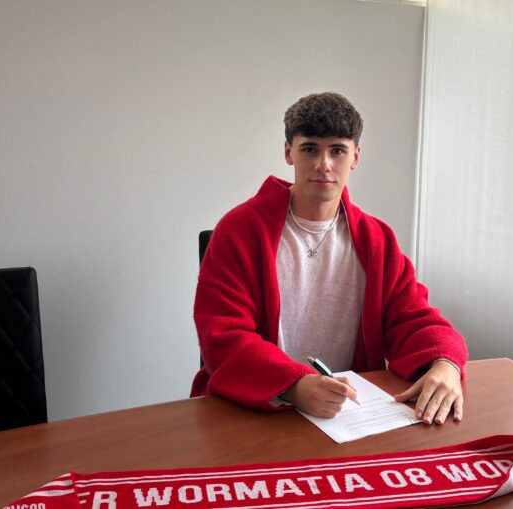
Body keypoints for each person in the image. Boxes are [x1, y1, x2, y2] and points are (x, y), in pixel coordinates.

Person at [191, 92, 467, 426]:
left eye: (337, 150)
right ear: (288, 152)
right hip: (257, 411)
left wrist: (445, 364)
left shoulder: (377, 240)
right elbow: (222, 335)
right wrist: (294, 385)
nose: (324, 164)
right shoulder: (239, 231)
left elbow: (414, 318)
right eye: (310, 149)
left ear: (355, 157)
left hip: (347, 416)